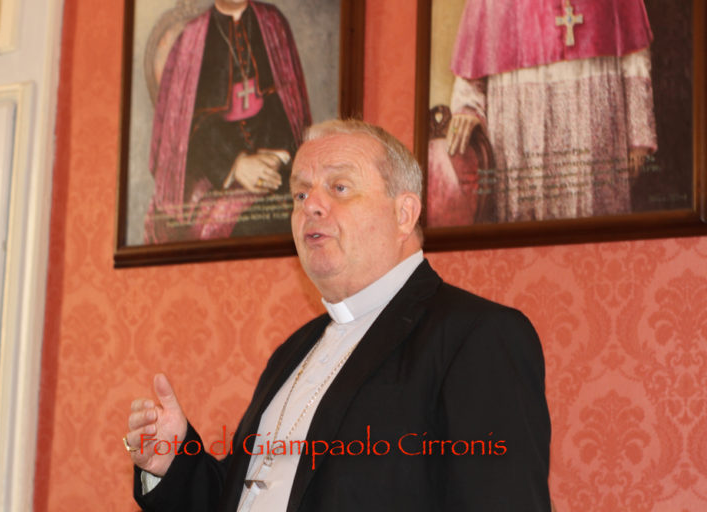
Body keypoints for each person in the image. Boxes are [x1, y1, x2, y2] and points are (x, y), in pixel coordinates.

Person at [125, 120, 552, 511]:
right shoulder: (293, 350)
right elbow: (246, 497)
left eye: (340, 187)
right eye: (300, 194)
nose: (311, 205)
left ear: (404, 213)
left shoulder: (477, 336)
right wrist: (174, 462)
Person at [445, 0, 657, 222]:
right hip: (520, 121)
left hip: (594, 121)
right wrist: (468, 106)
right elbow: (476, 47)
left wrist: (638, 134)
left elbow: (635, 51)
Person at [144, 0, 311, 243]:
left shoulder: (272, 22)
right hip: (214, 169)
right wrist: (236, 165)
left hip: (276, 161)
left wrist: (278, 155)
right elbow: (186, 127)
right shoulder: (191, 38)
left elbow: (289, 104)